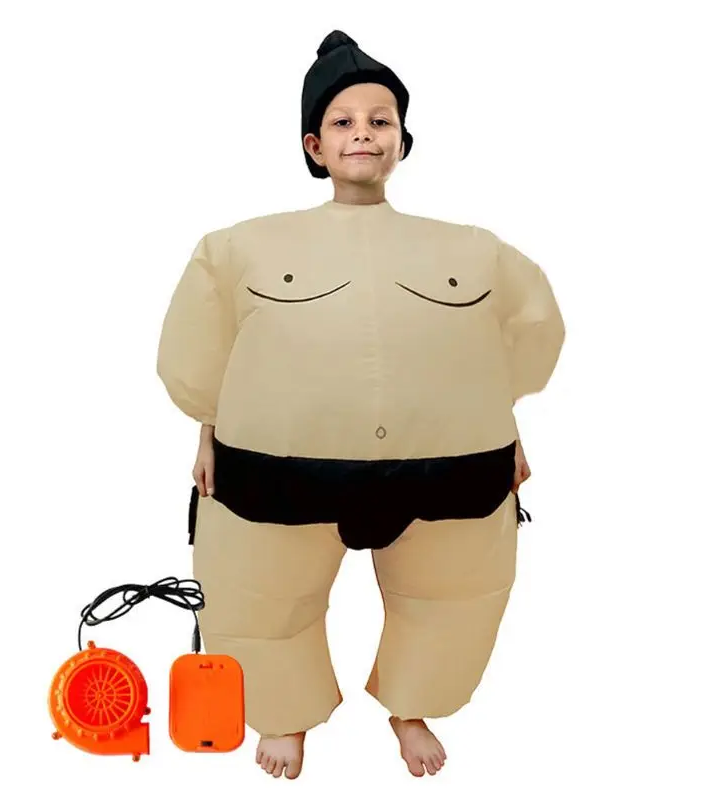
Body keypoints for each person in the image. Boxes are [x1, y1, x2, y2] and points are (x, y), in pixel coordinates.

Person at [156, 30, 564, 779]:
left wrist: (503, 424)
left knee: (453, 596)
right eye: (343, 122)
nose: (363, 134)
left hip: (449, 470)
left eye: (381, 120)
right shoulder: (240, 247)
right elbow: (199, 344)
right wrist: (207, 426)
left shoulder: (475, 251)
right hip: (276, 472)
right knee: (259, 595)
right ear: (313, 145)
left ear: (404, 141)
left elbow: (521, 335)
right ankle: (284, 713)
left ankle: (412, 706)